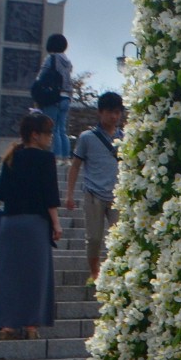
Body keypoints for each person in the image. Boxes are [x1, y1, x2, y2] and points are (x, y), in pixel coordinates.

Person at [0, 111, 61, 341]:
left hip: (10, 223)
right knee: (35, 276)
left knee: (8, 275)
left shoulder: (12, 156)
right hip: (34, 224)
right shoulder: (46, 159)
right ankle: (30, 325)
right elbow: (50, 196)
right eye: (47, 133)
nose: (50, 138)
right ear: (35, 135)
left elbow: (1, 191)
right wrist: (56, 223)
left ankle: (6, 326)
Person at [66, 91, 124, 283]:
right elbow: (75, 166)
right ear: (100, 112)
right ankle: (95, 272)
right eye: (110, 112)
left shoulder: (125, 138)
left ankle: (117, 271)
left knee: (119, 237)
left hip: (117, 194)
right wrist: (70, 194)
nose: (114, 116)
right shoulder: (87, 137)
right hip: (93, 193)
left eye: (117, 112)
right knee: (94, 238)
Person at [32, 33, 74, 158]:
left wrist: (37, 88)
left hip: (53, 97)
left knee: (53, 129)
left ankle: (56, 156)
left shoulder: (51, 58)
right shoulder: (67, 61)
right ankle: (66, 157)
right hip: (66, 97)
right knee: (62, 129)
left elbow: (42, 75)